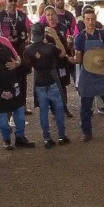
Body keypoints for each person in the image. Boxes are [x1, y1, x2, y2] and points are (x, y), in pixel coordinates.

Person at [74, 6, 104, 141]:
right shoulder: (80, 38)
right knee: (86, 106)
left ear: (96, 20)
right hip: (87, 74)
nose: (90, 22)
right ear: (83, 20)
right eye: (88, 19)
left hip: (103, 72)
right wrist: (67, 58)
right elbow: (78, 59)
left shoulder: (103, 34)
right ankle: (86, 132)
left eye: (93, 19)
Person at [25, 18, 69, 147]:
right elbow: (63, 53)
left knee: (43, 111)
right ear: (44, 34)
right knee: (59, 109)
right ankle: (61, 136)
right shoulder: (49, 47)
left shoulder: (28, 49)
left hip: (39, 82)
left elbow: (26, 64)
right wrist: (55, 36)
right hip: (52, 80)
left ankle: (46, 138)